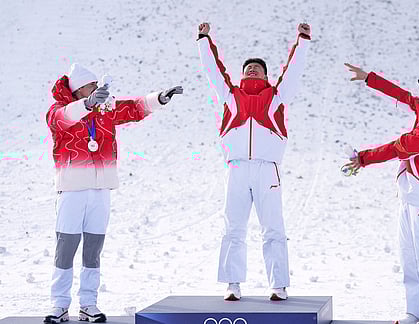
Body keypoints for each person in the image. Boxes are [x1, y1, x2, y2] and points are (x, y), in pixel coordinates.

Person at [44, 63, 183, 323]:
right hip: (72, 189)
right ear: (76, 91)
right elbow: (61, 119)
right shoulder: (58, 111)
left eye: (97, 85)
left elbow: (133, 107)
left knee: (93, 250)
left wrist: (159, 98)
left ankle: (89, 303)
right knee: (66, 249)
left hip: (101, 189)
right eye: (90, 86)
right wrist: (85, 106)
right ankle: (59, 304)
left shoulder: (106, 109)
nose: (96, 90)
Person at [197, 22, 311, 301]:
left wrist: (303, 40)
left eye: (257, 67)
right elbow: (214, 71)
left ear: (266, 75)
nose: (252, 69)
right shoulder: (231, 95)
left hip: (266, 170)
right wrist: (203, 39)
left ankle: (278, 285)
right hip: (236, 168)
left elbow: (292, 72)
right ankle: (232, 284)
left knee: (273, 228)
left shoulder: (275, 97)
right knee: (233, 227)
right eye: (248, 67)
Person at [344, 63, 419, 324]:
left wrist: (363, 159)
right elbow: (404, 96)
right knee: (408, 256)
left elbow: (400, 148)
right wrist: (369, 78)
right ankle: (414, 311)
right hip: (410, 192)